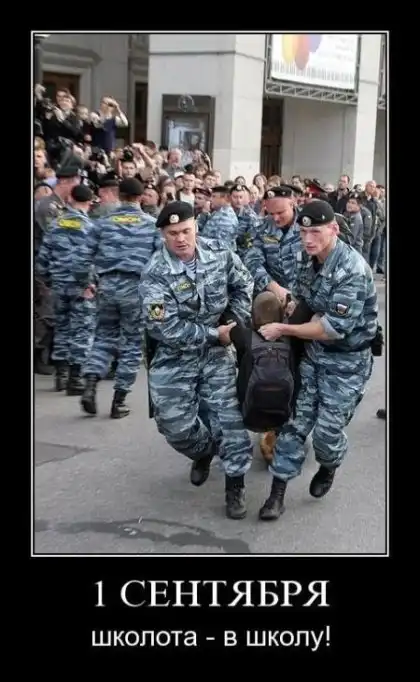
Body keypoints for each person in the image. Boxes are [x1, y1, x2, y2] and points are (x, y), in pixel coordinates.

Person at [257, 200, 379, 521]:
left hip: (346, 363)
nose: (308, 239)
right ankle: (277, 494)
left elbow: (331, 329)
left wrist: (285, 328)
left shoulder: (352, 269)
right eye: (303, 233)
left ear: (334, 229)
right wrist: (294, 308)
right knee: (293, 424)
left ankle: (329, 464)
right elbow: (304, 298)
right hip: (313, 355)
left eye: (316, 232)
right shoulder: (305, 257)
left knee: (326, 435)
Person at [140, 201, 254, 520]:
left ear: (196, 227)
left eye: (186, 231)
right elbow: (163, 327)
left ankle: (235, 483)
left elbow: (243, 283)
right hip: (175, 354)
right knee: (174, 426)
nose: (180, 238)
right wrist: (215, 334)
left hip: (217, 353)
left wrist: (234, 319)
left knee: (228, 419)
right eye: (173, 233)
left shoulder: (219, 252)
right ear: (163, 235)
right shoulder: (155, 272)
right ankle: (204, 452)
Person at [80, 178, 162, 418]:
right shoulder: (151, 225)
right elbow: (160, 263)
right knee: (132, 344)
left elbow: (84, 256)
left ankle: (90, 383)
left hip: (106, 286)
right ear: (140, 197)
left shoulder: (102, 223)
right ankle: (119, 401)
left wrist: (87, 283)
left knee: (103, 337)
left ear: (119, 195)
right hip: (136, 289)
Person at [229, 291, 314, 464]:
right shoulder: (292, 336)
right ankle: (282, 439)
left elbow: (229, 317)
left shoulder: (244, 336)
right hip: (287, 405)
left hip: (251, 412)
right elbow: (306, 308)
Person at [36, 184, 96, 394]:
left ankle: (61, 376)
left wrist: (49, 279)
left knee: (61, 328)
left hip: (59, 285)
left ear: (70, 199)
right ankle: (75, 378)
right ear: (89, 202)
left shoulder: (55, 224)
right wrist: (91, 283)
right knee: (82, 330)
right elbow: (94, 259)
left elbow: (42, 259)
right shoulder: (90, 227)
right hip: (81, 287)